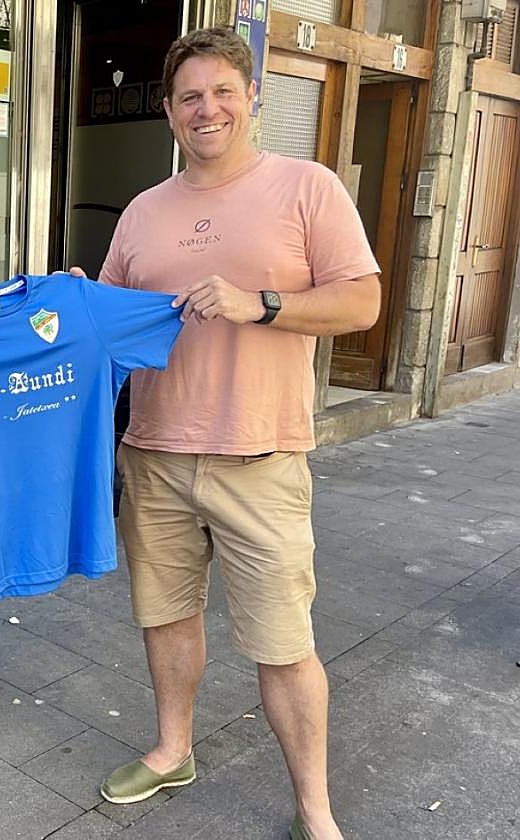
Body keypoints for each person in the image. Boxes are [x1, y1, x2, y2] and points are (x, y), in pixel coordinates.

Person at [89, 27, 381, 840]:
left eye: (222, 92)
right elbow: (108, 322)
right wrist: (75, 304)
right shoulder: (145, 211)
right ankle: (171, 748)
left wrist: (266, 303)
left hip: (262, 457)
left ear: (252, 98)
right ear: (170, 112)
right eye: (189, 97)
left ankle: (315, 809)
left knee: (284, 643)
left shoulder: (306, 188)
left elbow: (362, 303)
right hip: (154, 454)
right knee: (166, 616)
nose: (206, 109)